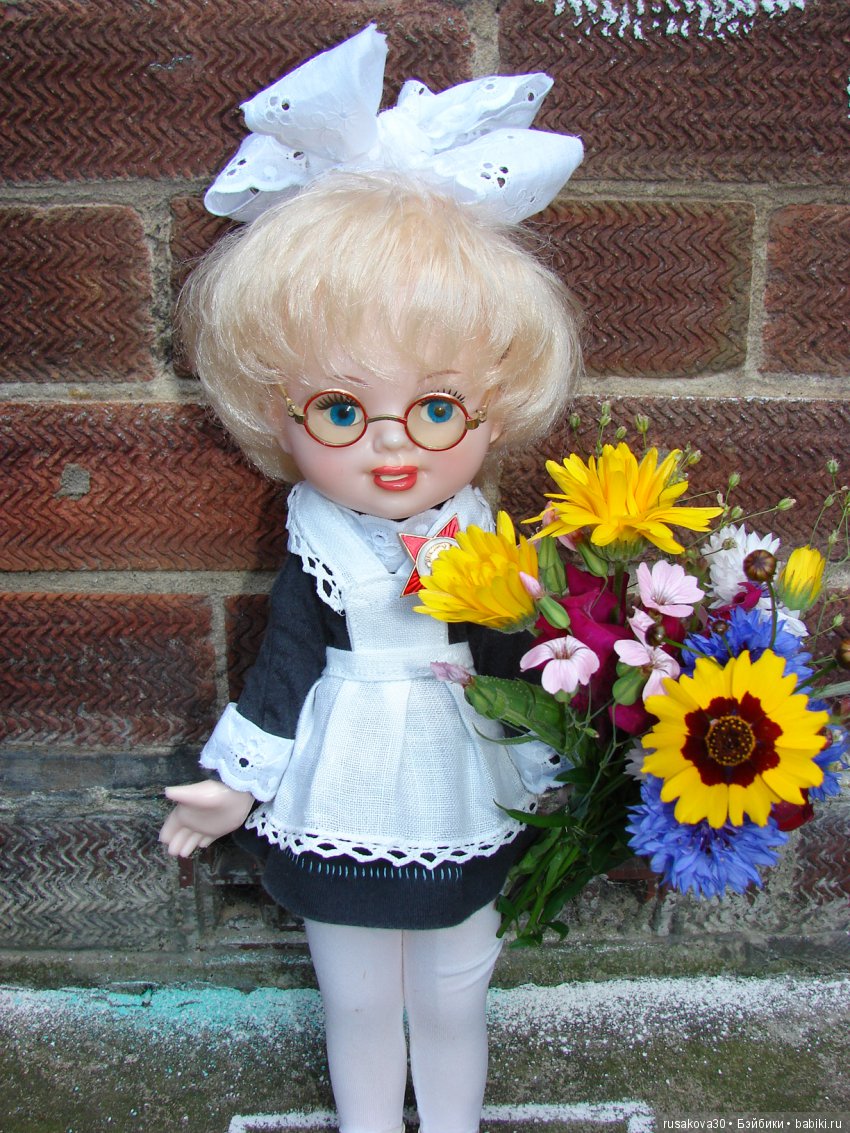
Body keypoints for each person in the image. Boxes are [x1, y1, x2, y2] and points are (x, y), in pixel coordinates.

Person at [159, 26, 583, 1133]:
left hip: (461, 771)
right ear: (278, 411)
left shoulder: (489, 536)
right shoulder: (317, 539)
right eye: (341, 409)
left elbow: (515, 655)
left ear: (495, 407)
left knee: (453, 990)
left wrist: (560, 754)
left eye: (436, 407)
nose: (392, 443)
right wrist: (234, 782)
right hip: (343, 777)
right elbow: (284, 667)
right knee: (353, 994)